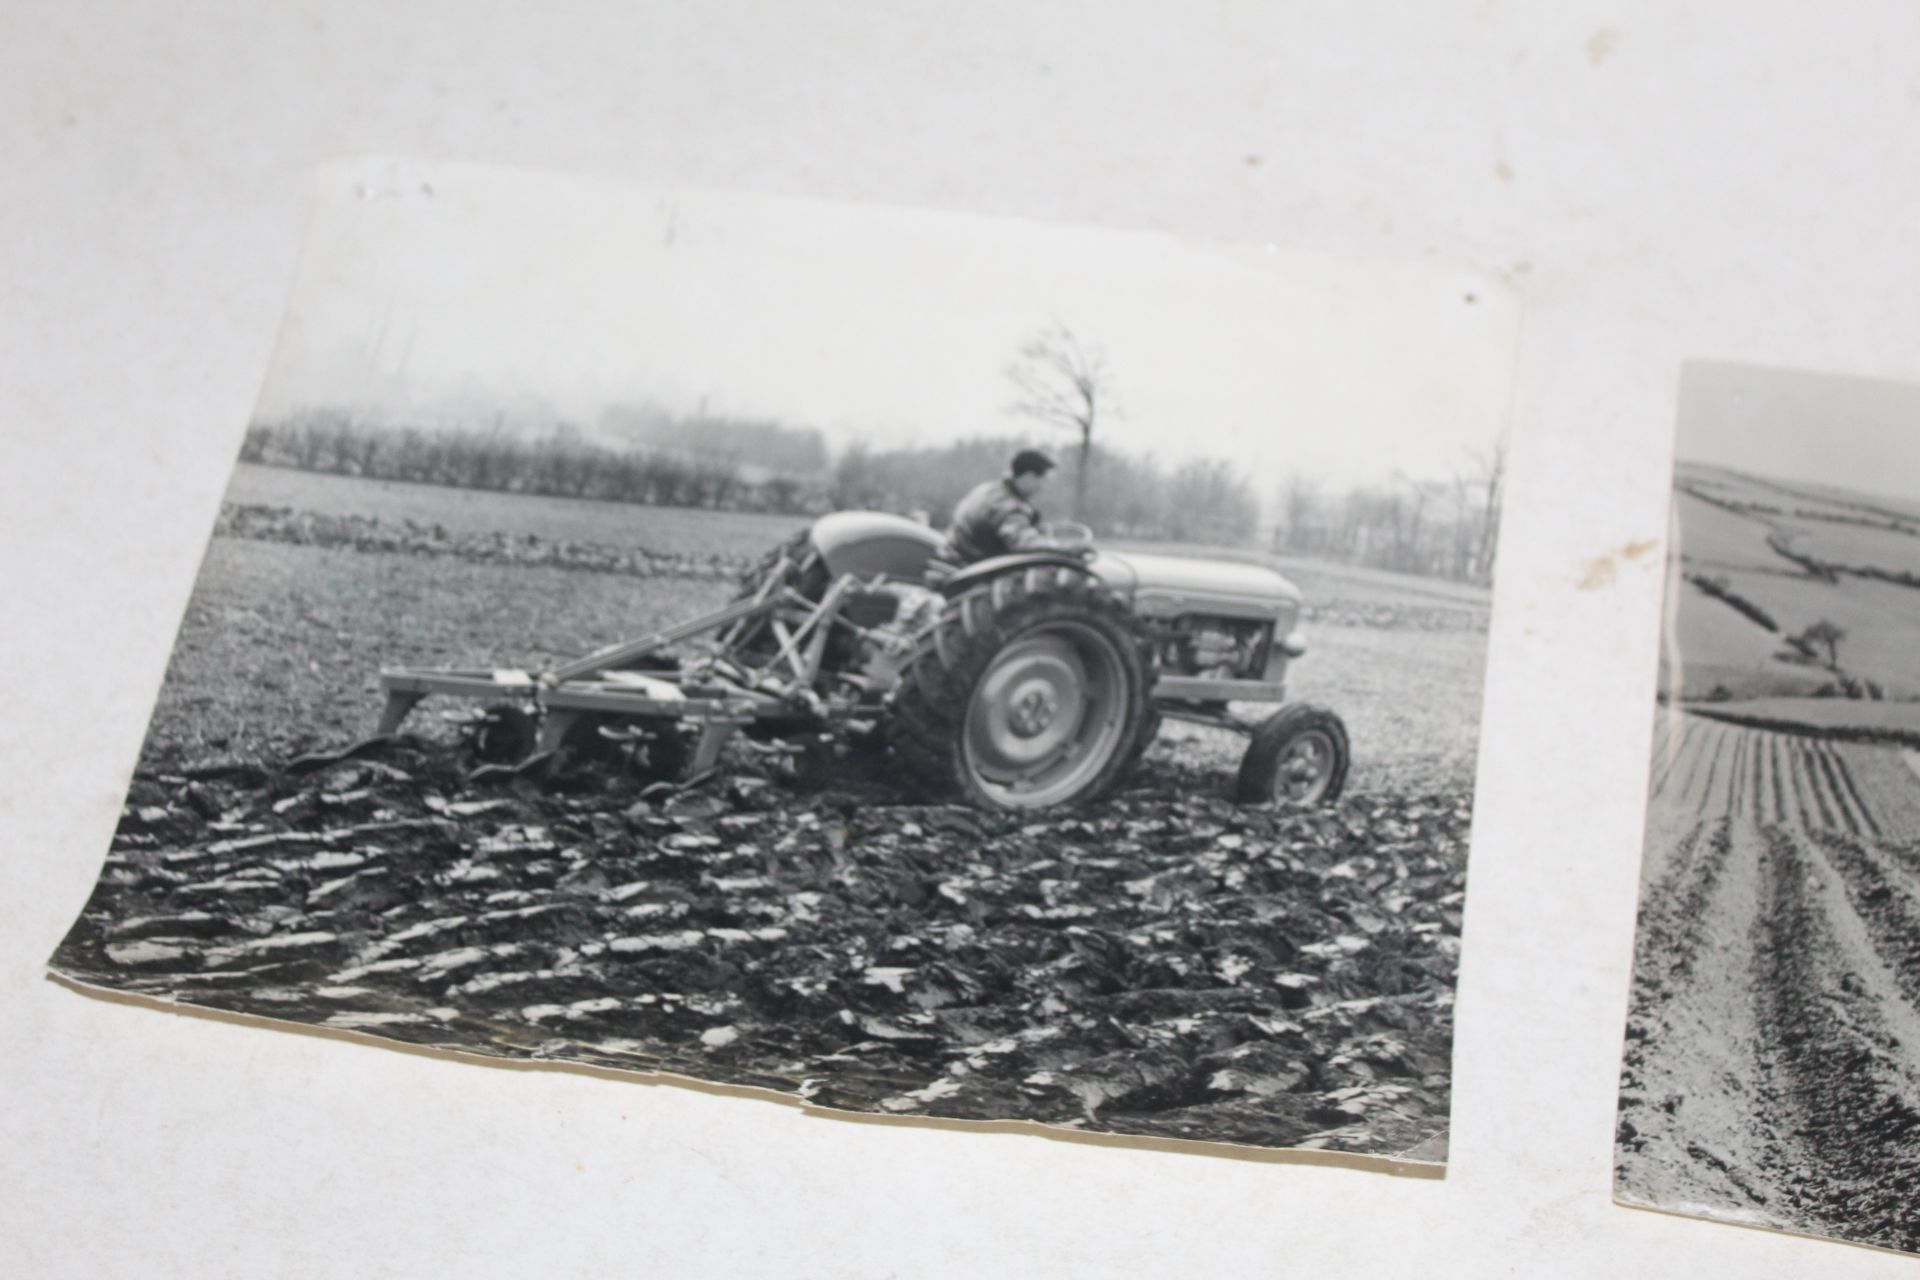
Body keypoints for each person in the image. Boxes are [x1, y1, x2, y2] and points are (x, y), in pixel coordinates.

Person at [937, 448, 1060, 567]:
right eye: (1043, 480)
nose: (1043, 488)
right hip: (972, 569)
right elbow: (1024, 543)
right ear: (1029, 476)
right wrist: (1059, 548)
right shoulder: (1007, 505)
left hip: (955, 558)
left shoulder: (988, 489)